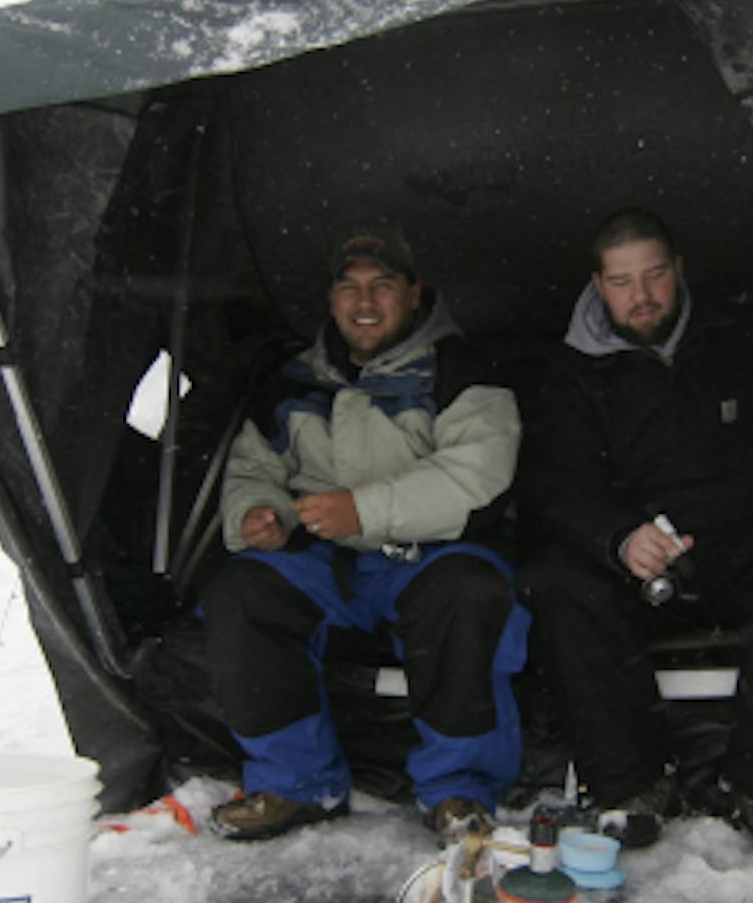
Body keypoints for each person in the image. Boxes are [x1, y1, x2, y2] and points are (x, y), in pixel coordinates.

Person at [522, 208, 753, 851]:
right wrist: (619, 538)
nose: (643, 295)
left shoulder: (738, 340)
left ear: (679, 271)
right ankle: (632, 786)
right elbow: (560, 486)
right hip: (636, 552)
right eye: (623, 281)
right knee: (558, 583)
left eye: (656, 275)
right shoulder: (573, 373)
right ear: (598, 286)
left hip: (737, 541)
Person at [200, 228, 529, 841]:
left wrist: (364, 510)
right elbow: (253, 469)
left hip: (433, 554)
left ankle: (460, 791)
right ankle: (295, 785)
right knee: (239, 593)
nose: (365, 302)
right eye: (349, 287)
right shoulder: (294, 378)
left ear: (413, 293)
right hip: (329, 559)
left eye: (382, 285)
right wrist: (258, 514)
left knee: (471, 594)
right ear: (330, 299)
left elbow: (477, 476)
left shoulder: (460, 369)